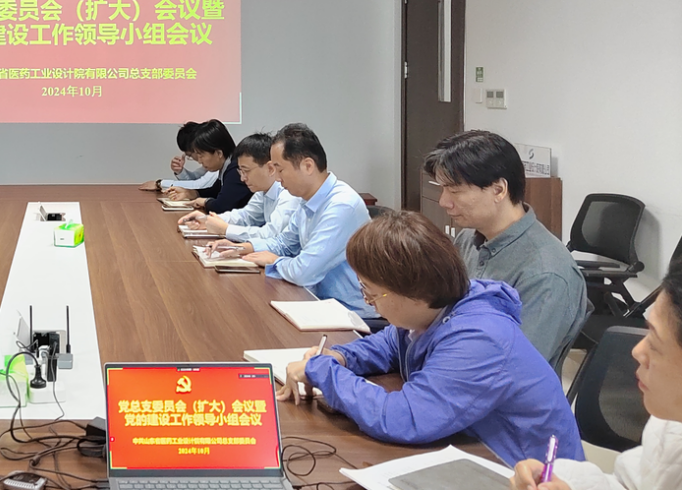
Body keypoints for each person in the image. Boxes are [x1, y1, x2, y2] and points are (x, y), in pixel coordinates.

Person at [280, 210, 583, 468]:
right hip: (469, 448)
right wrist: (341, 357)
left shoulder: (480, 338)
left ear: (413, 294)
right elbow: (390, 343)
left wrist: (324, 372)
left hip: (525, 472)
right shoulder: (439, 305)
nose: (368, 302)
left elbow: (404, 418)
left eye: (370, 293)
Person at [424, 130, 590, 373]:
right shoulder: (467, 239)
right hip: (448, 369)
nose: (444, 202)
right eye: (443, 189)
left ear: (499, 190)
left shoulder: (546, 274)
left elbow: (510, 370)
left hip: (489, 389)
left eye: (455, 191)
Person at [511, 256, 682, 490]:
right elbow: (629, 484)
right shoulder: (670, 427)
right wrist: (567, 485)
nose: (637, 351)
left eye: (655, 343)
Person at [207, 123, 371, 316]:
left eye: (280, 169)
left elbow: (304, 272)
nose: (277, 178)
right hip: (316, 300)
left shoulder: (341, 206)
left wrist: (275, 261)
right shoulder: (307, 199)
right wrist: (244, 247)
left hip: (349, 313)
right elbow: (284, 243)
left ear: (307, 166)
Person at [177, 132, 299, 245]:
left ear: (270, 168)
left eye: (246, 171)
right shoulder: (263, 191)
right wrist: (208, 220)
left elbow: (272, 234)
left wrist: (226, 229)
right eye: (241, 172)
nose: (242, 178)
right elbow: (245, 216)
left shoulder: (288, 194)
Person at [163, 119, 252, 213]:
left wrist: (205, 202)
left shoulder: (236, 170)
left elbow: (221, 206)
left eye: (201, 155)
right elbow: (214, 191)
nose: (199, 161)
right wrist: (192, 193)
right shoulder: (227, 166)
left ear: (219, 153)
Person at [138, 121, 219, 192]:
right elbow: (195, 179)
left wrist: (160, 184)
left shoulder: (219, 163)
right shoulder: (213, 163)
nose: (199, 161)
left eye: (190, 155)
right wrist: (181, 172)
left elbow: (200, 185)